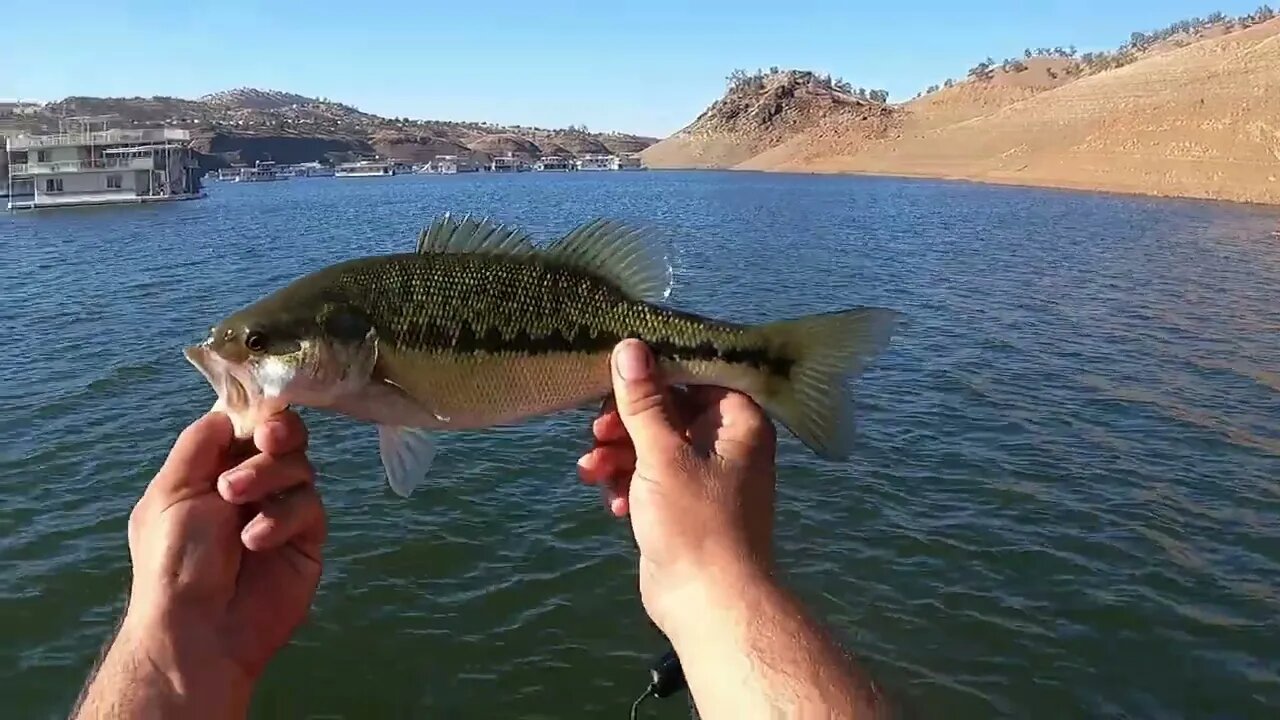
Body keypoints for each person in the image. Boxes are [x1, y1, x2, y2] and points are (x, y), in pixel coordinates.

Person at [72, 340, 889, 719]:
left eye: (260, 348)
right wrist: (719, 583)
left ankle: (777, 363)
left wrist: (171, 653)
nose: (239, 360)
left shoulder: (381, 375)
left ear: (351, 348)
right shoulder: (370, 386)